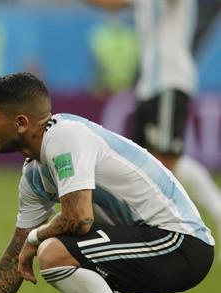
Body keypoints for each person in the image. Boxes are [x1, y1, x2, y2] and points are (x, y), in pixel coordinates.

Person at [0, 72, 214, 293]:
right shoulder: (34, 174)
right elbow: (15, 253)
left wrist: (35, 238)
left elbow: (79, 218)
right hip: (151, 241)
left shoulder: (64, 136)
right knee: (69, 251)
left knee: (53, 252)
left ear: (21, 123)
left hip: (181, 243)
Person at [88, 0, 221, 259]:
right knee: (145, 162)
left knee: (166, 160)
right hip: (148, 85)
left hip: (170, 80)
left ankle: (216, 209)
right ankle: (142, 234)